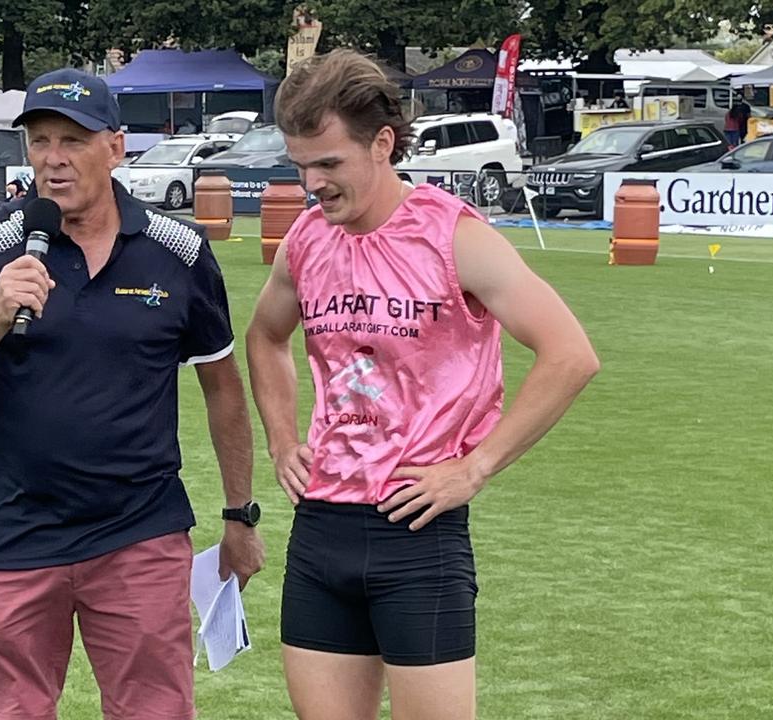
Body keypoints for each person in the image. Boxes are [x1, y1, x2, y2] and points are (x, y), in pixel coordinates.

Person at [244, 50, 600, 720]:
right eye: (299, 165)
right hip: (320, 531)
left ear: (381, 144)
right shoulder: (307, 240)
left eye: (328, 163)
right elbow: (264, 336)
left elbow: (570, 355)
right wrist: (281, 439)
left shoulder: (453, 237)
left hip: (418, 534)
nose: (310, 183)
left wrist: (476, 466)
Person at [0, 68, 265, 720]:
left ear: (116, 146)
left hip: (141, 536)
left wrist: (240, 516)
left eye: (72, 140)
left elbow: (224, 391)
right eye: (40, 140)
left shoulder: (178, 252)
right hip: (14, 541)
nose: (52, 159)